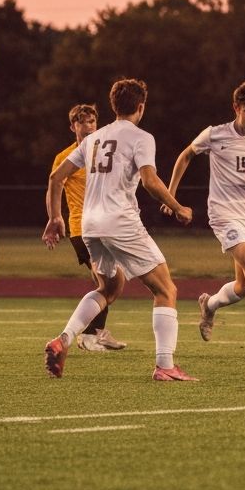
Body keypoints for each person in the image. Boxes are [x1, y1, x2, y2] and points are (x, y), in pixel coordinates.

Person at [41, 78, 197, 381]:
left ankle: (64, 339)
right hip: (120, 222)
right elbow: (150, 181)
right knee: (166, 290)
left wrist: (54, 218)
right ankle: (165, 366)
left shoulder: (93, 138)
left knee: (108, 288)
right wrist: (179, 208)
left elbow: (56, 176)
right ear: (141, 107)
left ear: (113, 107)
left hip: (89, 225)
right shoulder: (141, 137)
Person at [164, 79, 245, 358]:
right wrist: (171, 196)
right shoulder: (215, 135)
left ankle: (209, 305)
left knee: (243, 287)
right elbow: (185, 156)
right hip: (224, 214)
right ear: (236, 108)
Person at [47, 103, 127, 352]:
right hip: (82, 228)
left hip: (105, 224)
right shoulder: (66, 157)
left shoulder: (103, 152)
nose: (88, 126)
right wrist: (55, 217)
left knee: (108, 281)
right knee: (106, 282)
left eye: (92, 121)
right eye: (82, 122)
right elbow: (54, 185)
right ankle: (89, 335)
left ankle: (95, 332)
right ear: (73, 127)